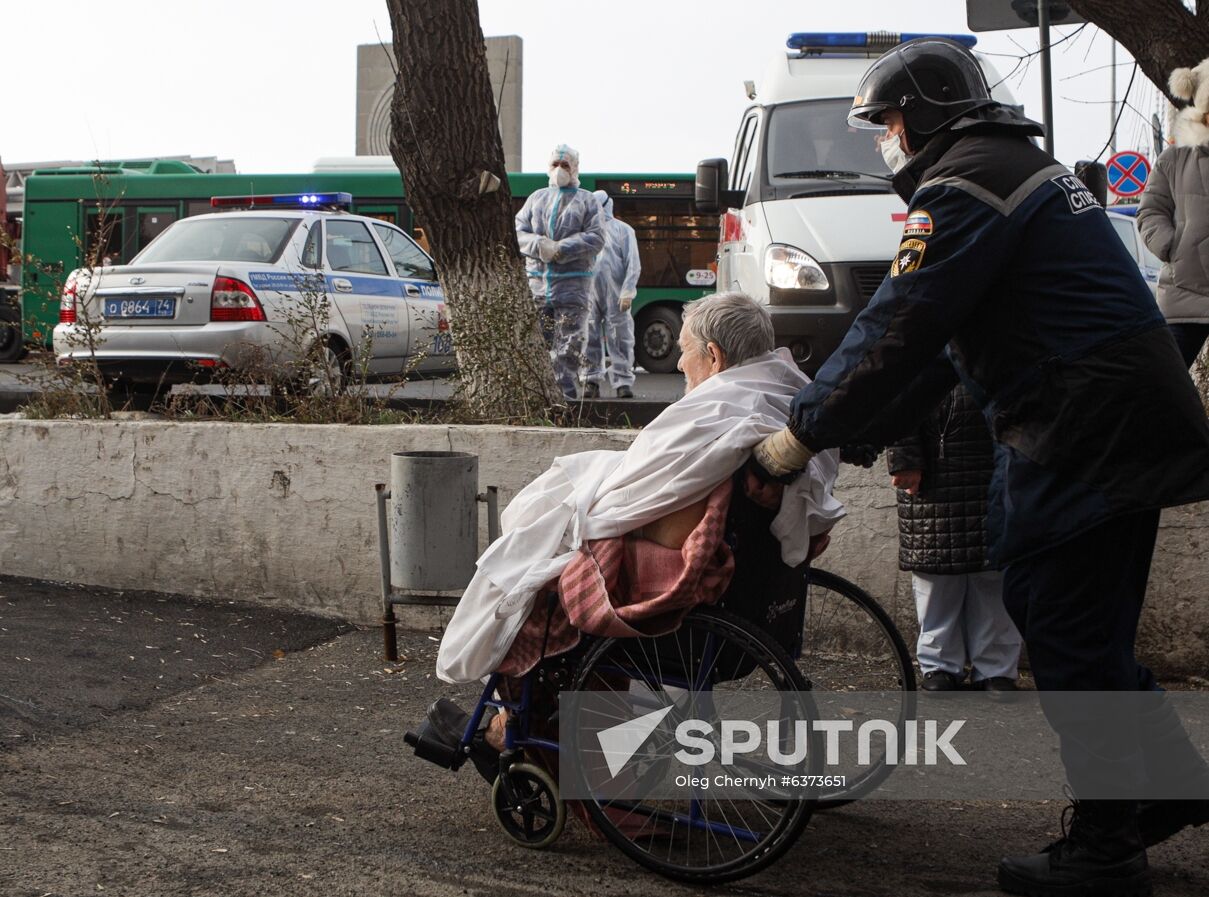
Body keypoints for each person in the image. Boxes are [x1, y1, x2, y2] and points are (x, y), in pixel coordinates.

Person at [747, 37, 1209, 897]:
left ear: (917, 116)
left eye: (883, 123)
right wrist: (850, 432)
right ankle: (1166, 787)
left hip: (1084, 420)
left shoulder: (959, 186)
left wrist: (796, 435)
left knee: (1065, 622)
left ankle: (1105, 850)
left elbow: (900, 324)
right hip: (1116, 411)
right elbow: (938, 355)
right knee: (1073, 615)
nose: (880, 140)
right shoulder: (1008, 165)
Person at [425, 293, 843, 751]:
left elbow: (627, 510)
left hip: (688, 608)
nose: (681, 365)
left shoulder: (714, 413)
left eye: (684, 351)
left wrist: (577, 514)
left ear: (714, 356)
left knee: (529, 584)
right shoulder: (785, 397)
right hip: (759, 599)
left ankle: (509, 734)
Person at [885, 384, 1021, 695]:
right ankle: (940, 665)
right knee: (937, 576)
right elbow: (900, 393)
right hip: (933, 467)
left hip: (996, 461)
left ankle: (996, 668)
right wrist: (905, 457)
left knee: (992, 574)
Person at [515, 145, 606, 399]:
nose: (559, 171)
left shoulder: (587, 201)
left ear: (575, 168)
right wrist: (539, 245)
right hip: (538, 286)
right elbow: (518, 232)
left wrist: (561, 248)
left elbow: (597, 238)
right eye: (555, 164)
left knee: (570, 344)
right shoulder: (536, 198)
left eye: (565, 166)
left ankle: (565, 397)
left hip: (573, 286)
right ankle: (539, 395)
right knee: (535, 342)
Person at [1138, 58, 1209, 368]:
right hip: (1184, 296)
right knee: (1167, 385)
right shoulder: (1175, 158)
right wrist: (1171, 246)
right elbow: (1151, 211)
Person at [582, 190, 640, 399]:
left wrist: (627, 291)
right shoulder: (586, 233)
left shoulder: (623, 231)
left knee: (620, 337)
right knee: (588, 337)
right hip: (588, 293)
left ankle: (623, 382)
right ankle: (591, 381)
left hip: (616, 294)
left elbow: (633, 263)